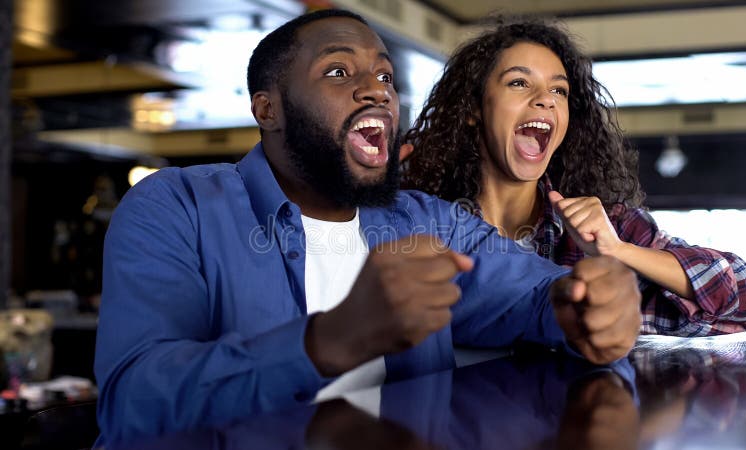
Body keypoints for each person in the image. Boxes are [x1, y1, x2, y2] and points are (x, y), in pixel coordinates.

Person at [94, 9, 642, 444]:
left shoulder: (426, 220)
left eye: (384, 74)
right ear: (268, 110)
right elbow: (131, 407)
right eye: (339, 71)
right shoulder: (176, 207)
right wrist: (330, 341)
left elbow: (535, 296)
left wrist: (588, 302)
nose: (377, 89)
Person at [402, 18, 746, 337]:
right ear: (472, 109)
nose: (545, 99)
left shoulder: (604, 228)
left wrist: (618, 252)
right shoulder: (423, 220)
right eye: (518, 83)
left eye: (559, 90)